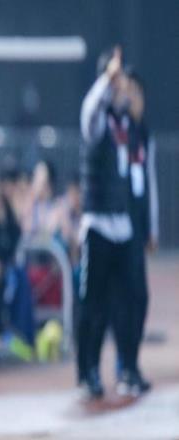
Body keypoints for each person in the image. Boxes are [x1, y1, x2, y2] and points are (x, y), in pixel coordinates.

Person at [77, 47, 137, 399]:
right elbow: (90, 109)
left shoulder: (122, 123)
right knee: (93, 306)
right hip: (97, 226)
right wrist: (106, 80)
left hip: (121, 227)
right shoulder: (96, 121)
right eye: (116, 81)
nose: (121, 87)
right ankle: (87, 372)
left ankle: (124, 368)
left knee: (124, 304)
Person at [114, 67, 158, 394]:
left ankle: (130, 364)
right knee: (124, 299)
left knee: (140, 298)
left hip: (138, 228)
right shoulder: (118, 129)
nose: (132, 98)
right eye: (127, 91)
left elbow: (150, 181)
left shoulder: (144, 133)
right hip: (119, 226)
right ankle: (124, 368)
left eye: (136, 92)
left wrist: (152, 227)